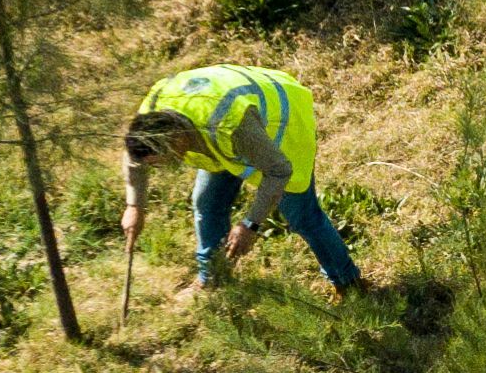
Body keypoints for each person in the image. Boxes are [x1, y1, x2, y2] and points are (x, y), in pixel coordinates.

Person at [120, 63, 367, 294]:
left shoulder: (228, 124)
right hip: (220, 141)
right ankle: (213, 278)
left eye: (159, 161)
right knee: (207, 204)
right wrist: (135, 205)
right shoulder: (151, 116)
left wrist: (251, 225)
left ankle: (348, 283)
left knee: (302, 216)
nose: (158, 168)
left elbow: (279, 171)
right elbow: (134, 157)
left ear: (176, 140)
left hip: (280, 128)